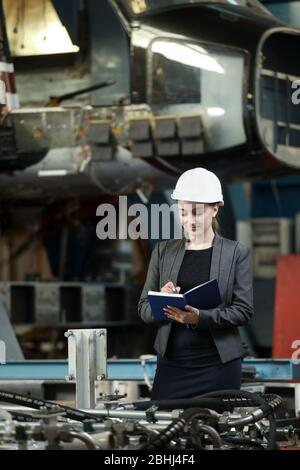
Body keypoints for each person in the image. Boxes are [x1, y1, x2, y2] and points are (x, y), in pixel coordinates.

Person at [138, 167, 253, 400]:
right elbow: (143, 309)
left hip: (219, 366)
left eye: (196, 213)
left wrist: (198, 318)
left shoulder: (236, 253)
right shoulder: (163, 252)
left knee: (218, 433)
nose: (189, 220)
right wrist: (162, 300)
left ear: (215, 209)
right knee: (165, 430)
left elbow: (243, 311)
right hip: (172, 365)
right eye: (183, 212)